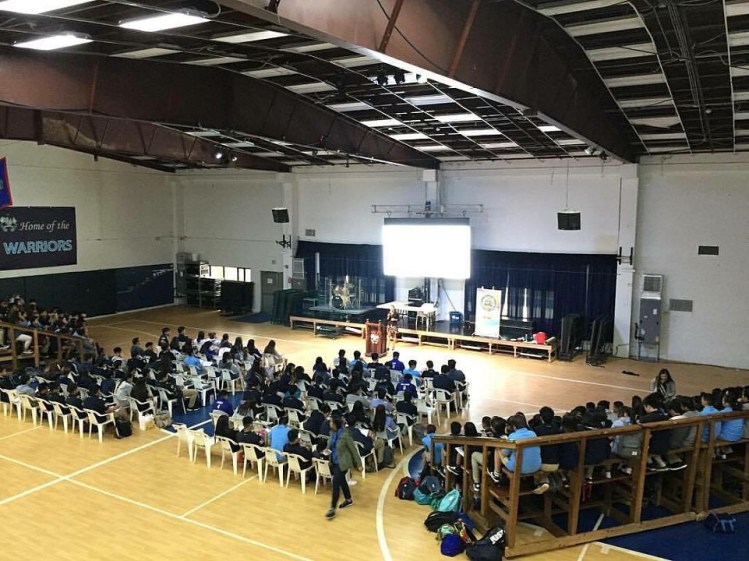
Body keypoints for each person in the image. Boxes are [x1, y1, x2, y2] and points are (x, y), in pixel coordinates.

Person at [488, 414, 545, 492]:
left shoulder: (513, 436)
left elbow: (505, 453)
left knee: (498, 448)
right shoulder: (533, 434)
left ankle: (496, 473)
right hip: (536, 466)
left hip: (517, 468)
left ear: (514, 426)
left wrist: (504, 443)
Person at [325, 416, 361, 520]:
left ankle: (332, 508)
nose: (329, 423)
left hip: (343, 463)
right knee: (341, 480)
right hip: (334, 461)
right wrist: (326, 450)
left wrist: (359, 463)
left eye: (331, 422)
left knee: (335, 484)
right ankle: (348, 499)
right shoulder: (332, 433)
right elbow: (330, 446)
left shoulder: (345, 435)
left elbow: (353, 450)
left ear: (335, 424)